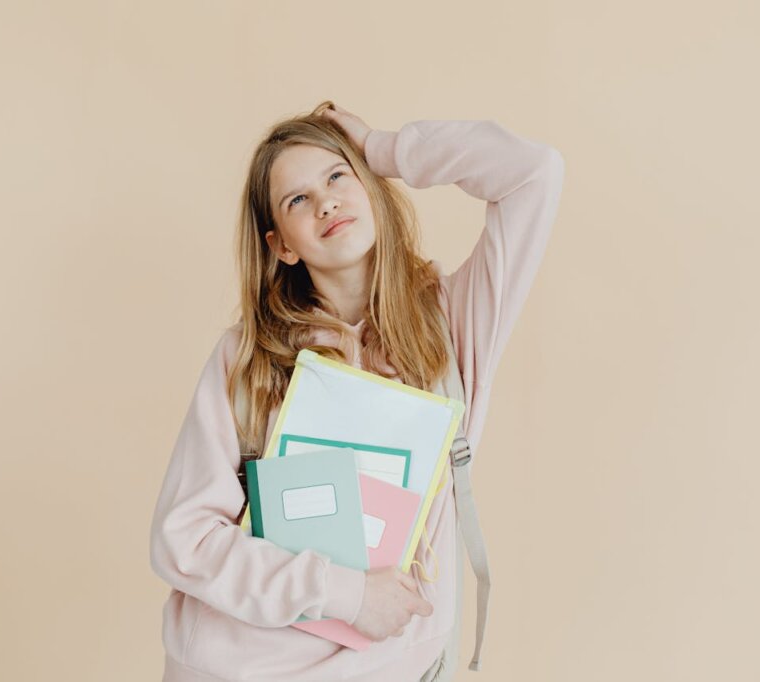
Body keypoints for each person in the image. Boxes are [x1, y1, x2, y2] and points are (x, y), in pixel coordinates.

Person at [149, 101, 565, 681]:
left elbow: (533, 172)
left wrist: (385, 148)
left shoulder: (453, 322)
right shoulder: (246, 358)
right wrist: (343, 594)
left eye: (338, 175)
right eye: (297, 200)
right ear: (282, 245)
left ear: (371, 185)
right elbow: (184, 540)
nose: (325, 202)